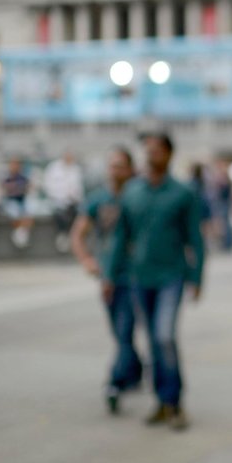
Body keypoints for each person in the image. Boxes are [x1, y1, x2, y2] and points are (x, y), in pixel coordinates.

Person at [107, 131, 204, 431]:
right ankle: (162, 402)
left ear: (169, 154)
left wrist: (197, 277)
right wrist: (110, 275)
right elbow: (121, 237)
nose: (152, 154)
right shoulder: (133, 192)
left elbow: (195, 239)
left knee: (164, 337)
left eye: (158, 149)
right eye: (148, 149)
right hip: (139, 276)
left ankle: (174, 401)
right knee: (151, 340)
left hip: (171, 276)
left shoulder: (182, 193)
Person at [70, 146, 144, 414]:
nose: (114, 170)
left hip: (137, 275)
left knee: (125, 331)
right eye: (111, 165)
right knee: (120, 331)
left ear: (130, 169)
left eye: (120, 165)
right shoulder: (98, 200)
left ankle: (114, 382)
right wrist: (87, 260)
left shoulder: (139, 197)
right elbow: (78, 234)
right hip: (109, 276)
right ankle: (134, 369)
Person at [43, 150, 84, 253]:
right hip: (56, 200)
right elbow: (48, 186)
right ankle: (63, 235)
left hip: (72, 202)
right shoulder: (53, 168)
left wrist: (74, 197)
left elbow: (78, 189)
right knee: (59, 213)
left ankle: (72, 236)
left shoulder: (75, 169)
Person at [1, 157, 34, 250]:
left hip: (21, 201)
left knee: (28, 213)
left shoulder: (23, 177)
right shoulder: (6, 177)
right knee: (15, 212)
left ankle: (20, 234)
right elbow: (6, 191)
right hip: (10, 201)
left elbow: (27, 189)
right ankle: (20, 235)